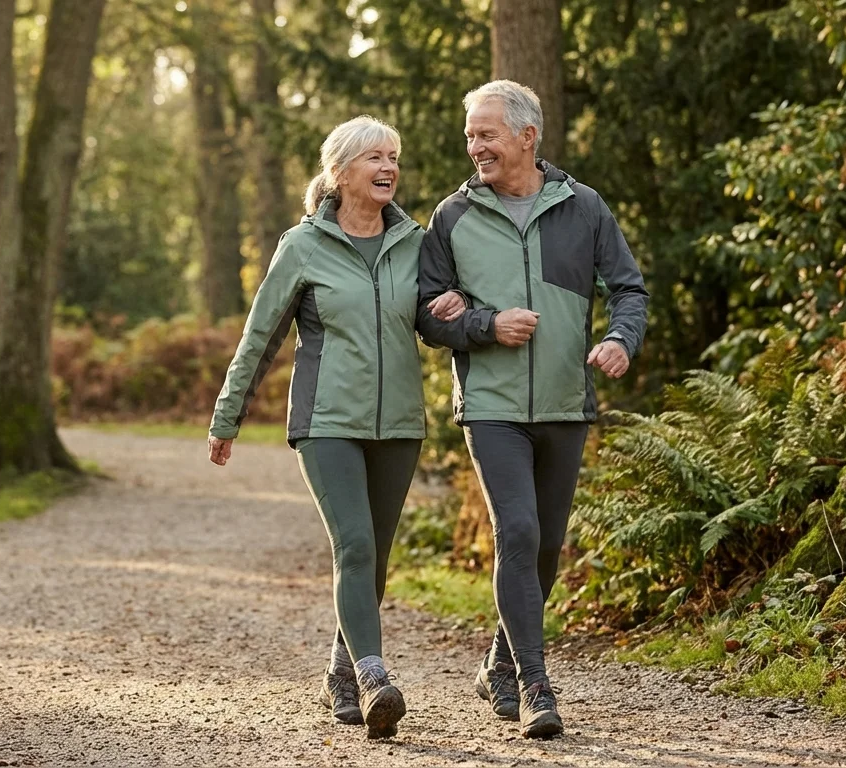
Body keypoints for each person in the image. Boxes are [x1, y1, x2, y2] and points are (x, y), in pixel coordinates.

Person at [208, 116, 462, 739]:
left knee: (374, 557)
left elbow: (434, 322)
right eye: (375, 156)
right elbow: (261, 336)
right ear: (340, 171)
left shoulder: (415, 240)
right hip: (326, 422)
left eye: (394, 156)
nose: (388, 167)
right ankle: (374, 676)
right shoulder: (302, 245)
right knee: (353, 544)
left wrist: (455, 309)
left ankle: (339, 672)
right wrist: (228, 414)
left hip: (399, 421)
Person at [417, 80, 649, 739]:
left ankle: (498, 660)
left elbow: (628, 290)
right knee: (516, 532)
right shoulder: (452, 216)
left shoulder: (584, 207)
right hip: (490, 405)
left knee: (545, 544)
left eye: (486, 134)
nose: (475, 146)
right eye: (470, 135)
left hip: (563, 402)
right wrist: (486, 324)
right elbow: (427, 315)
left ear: (527, 136)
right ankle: (534, 685)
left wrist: (617, 339)